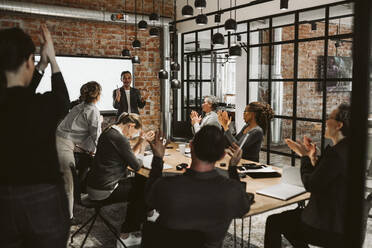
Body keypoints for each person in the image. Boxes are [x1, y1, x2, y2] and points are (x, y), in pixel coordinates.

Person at [0, 25, 70, 247]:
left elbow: (17, 98)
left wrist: (40, 66)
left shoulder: (15, 103)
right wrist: (52, 60)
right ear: (28, 61)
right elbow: (62, 99)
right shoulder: (42, 105)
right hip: (43, 197)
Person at [145, 125, 253, 248]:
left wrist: (158, 159)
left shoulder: (166, 186)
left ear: (191, 146)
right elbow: (243, 209)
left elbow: (148, 200)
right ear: (223, 155)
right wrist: (232, 168)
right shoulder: (232, 191)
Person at [264, 103, 351, 248]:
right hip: (341, 219)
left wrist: (303, 156)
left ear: (339, 125)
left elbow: (311, 184)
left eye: (329, 117)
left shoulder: (335, 154)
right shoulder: (348, 149)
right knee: (289, 222)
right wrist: (312, 158)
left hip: (326, 224)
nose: (326, 121)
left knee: (274, 221)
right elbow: (325, 176)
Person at [86, 113, 154, 247]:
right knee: (143, 189)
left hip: (94, 186)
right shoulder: (119, 138)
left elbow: (128, 156)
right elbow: (136, 165)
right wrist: (144, 145)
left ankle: (149, 213)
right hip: (103, 191)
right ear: (130, 126)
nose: (131, 136)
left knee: (141, 182)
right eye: (133, 132)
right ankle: (126, 234)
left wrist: (140, 142)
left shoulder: (109, 132)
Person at [56, 81, 102, 220]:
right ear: (98, 95)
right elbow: (96, 137)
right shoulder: (93, 111)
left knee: (65, 181)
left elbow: (76, 132)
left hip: (59, 140)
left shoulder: (78, 106)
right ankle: (68, 218)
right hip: (63, 145)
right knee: (67, 184)